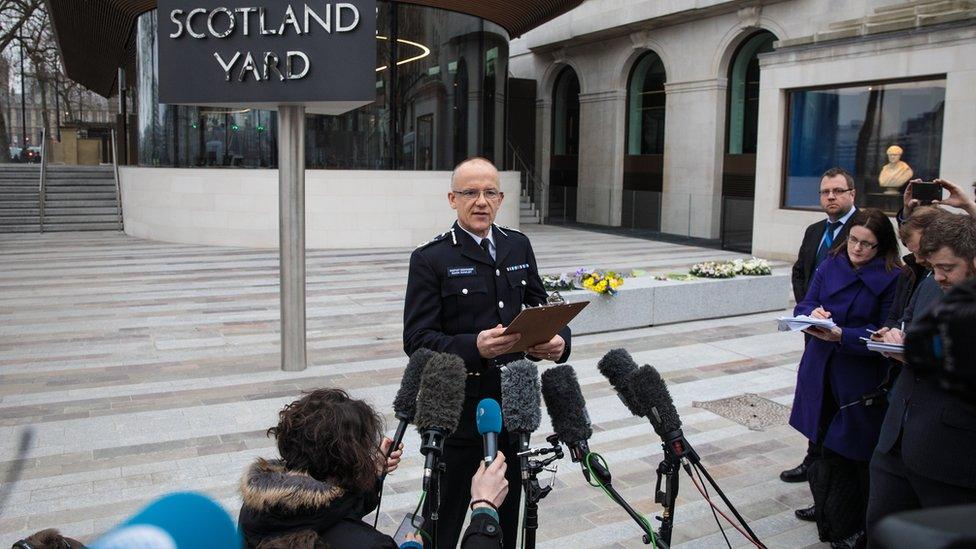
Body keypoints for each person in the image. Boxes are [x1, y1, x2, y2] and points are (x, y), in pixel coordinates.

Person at [402, 157, 571, 549]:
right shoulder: (431, 258)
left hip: (513, 408)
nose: (481, 201)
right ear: (452, 199)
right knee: (442, 523)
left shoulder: (517, 245)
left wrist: (559, 339)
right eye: (470, 192)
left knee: (505, 519)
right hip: (458, 414)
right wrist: (472, 346)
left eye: (489, 192)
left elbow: (538, 306)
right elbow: (417, 340)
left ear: (501, 197)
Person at [238, 388, 508, 549]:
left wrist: (374, 473)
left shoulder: (257, 510)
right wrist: (484, 509)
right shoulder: (368, 545)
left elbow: (324, 511)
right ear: (348, 461)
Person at [790, 208, 902, 548]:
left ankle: (855, 523)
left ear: (881, 246)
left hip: (857, 375)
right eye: (854, 239)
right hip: (820, 367)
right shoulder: (831, 263)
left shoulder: (893, 276)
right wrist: (813, 314)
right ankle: (825, 507)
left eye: (867, 244)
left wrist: (843, 336)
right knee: (819, 442)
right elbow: (804, 304)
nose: (857, 248)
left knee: (853, 453)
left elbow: (884, 331)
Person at [865, 214, 976, 546]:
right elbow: (910, 324)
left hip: (951, 460)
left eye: (947, 268)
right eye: (933, 267)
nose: (937, 276)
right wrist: (895, 337)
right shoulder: (930, 282)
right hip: (895, 442)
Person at [784, 167, 858, 490]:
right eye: (825, 192)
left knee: (835, 399)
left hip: (844, 335)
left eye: (838, 191)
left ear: (851, 194)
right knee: (813, 394)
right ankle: (813, 459)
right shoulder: (815, 230)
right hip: (813, 330)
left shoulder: (863, 230)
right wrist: (808, 311)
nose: (830, 197)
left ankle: (831, 470)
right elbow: (800, 271)